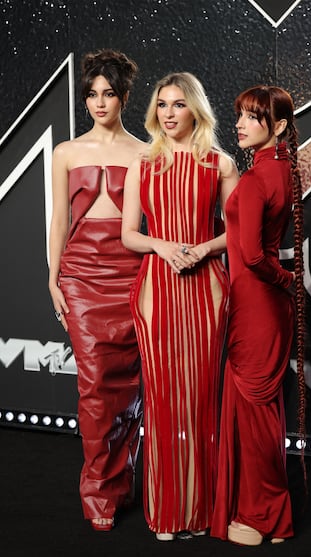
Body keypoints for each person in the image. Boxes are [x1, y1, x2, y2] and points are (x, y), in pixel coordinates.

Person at [121, 72, 239, 540]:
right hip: (157, 289)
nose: (169, 113)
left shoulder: (220, 164)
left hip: (206, 289)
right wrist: (163, 246)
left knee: (202, 400)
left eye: (178, 105)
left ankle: (203, 511)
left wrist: (203, 249)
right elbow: (128, 234)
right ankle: (167, 512)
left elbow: (237, 234)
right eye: (162, 105)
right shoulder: (141, 164)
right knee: (165, 402)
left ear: (196, 110)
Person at [48, 49, 148, 532]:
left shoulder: (146, 152)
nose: (99, 102)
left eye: (108, 94)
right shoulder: (66, 152)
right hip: (83, 276)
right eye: (91, 94)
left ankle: (124, 480)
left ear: (124, 97)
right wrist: (52, 278)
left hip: (133, 272)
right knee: (93, 390)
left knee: (131, 389)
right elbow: (58, 221)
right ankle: (98, 494)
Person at [211, 85, 306, 545]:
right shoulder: (284, 171)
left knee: (255, 418)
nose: (241, 124)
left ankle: (263, 515)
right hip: (266, 308)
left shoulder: (253, 181)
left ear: (279, 126)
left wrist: (286, 280)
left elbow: (249, 256)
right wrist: (285, 284)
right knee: (263, 414)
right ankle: (271, 513)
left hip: (255, 306)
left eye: (253, 117)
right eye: (241, 116)